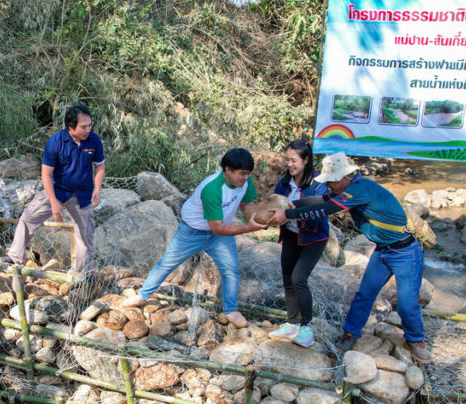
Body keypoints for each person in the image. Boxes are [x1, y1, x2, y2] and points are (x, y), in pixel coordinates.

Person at [267, 152, 429, 361]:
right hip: (383, 250)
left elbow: (325, 209)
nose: (329, 186)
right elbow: (322, 199)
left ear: (344, 177)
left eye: (331, 182)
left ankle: (416, 340)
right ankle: (351, 333)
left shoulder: (359, 190)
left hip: (405, 252)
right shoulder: (347, 188)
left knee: (407, 302)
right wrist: (293, 204)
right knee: (364, 294)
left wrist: (287, 215)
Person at [122, 148, 267, 328]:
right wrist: (248, 228)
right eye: (242, 174)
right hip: (192, 231)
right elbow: (218, 227)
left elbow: (247, 205)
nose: (245, 178)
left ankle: (231, 310)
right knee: (167, 263)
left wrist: (259, 217)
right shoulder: (212, 188)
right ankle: (143, 295)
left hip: (219, 235)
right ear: (227, 170)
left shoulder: (245, 181)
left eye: (248, 174)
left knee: (230, 269)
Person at [3, 104, 105, 272]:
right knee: (28, 218)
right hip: (57, 190)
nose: (88, 129)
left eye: (90, 125)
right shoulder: (56, 142)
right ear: (71, 127)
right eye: (84, 126)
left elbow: (99, 167)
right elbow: (46, 175)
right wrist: (53, 202)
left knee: (85, 235)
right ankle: (14, 258)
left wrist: (97, 189)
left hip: (82, 195)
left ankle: (83, 273)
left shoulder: (94, 140)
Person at [267, 140, 330, 347]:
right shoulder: (284, 184)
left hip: (313, 238)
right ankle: (291, 323)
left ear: (306, 160)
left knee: (299, 278)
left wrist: (292, 213)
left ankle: (307, 328)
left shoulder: (318, 185)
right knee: (287, 279)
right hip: (292, 236)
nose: (290, 164)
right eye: (287, 160)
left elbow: (320, 212)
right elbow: (274, 204)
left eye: (294, 160)